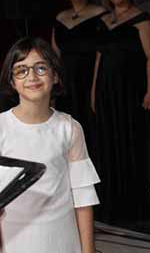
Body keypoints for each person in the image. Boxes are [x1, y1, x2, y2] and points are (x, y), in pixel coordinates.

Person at [0, 36, 100, 253]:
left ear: (55, 75)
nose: (32, 76)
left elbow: (82, 197)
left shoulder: (70, 128)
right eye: (21, 70)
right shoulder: (2, 127)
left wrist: (88, 250)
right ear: (12, 81)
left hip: (61, 240)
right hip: (13, 241)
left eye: (41, 68)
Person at [91, 0, 150, 226]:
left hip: (132, 92)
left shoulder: (142, 20)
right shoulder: (104, 21)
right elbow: (99, 59)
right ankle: (114, 204)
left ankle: (135, 206)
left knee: (131, 143)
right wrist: (94, 91)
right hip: (107, 92)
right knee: (110, 144)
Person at [51, 0, 107, 158]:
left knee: (90, 129)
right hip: (66, 83)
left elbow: (103, 53)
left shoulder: (101, 14)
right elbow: (55, 56)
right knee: (67, 130)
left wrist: (96, 87)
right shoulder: (60, 18)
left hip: (90, 80)